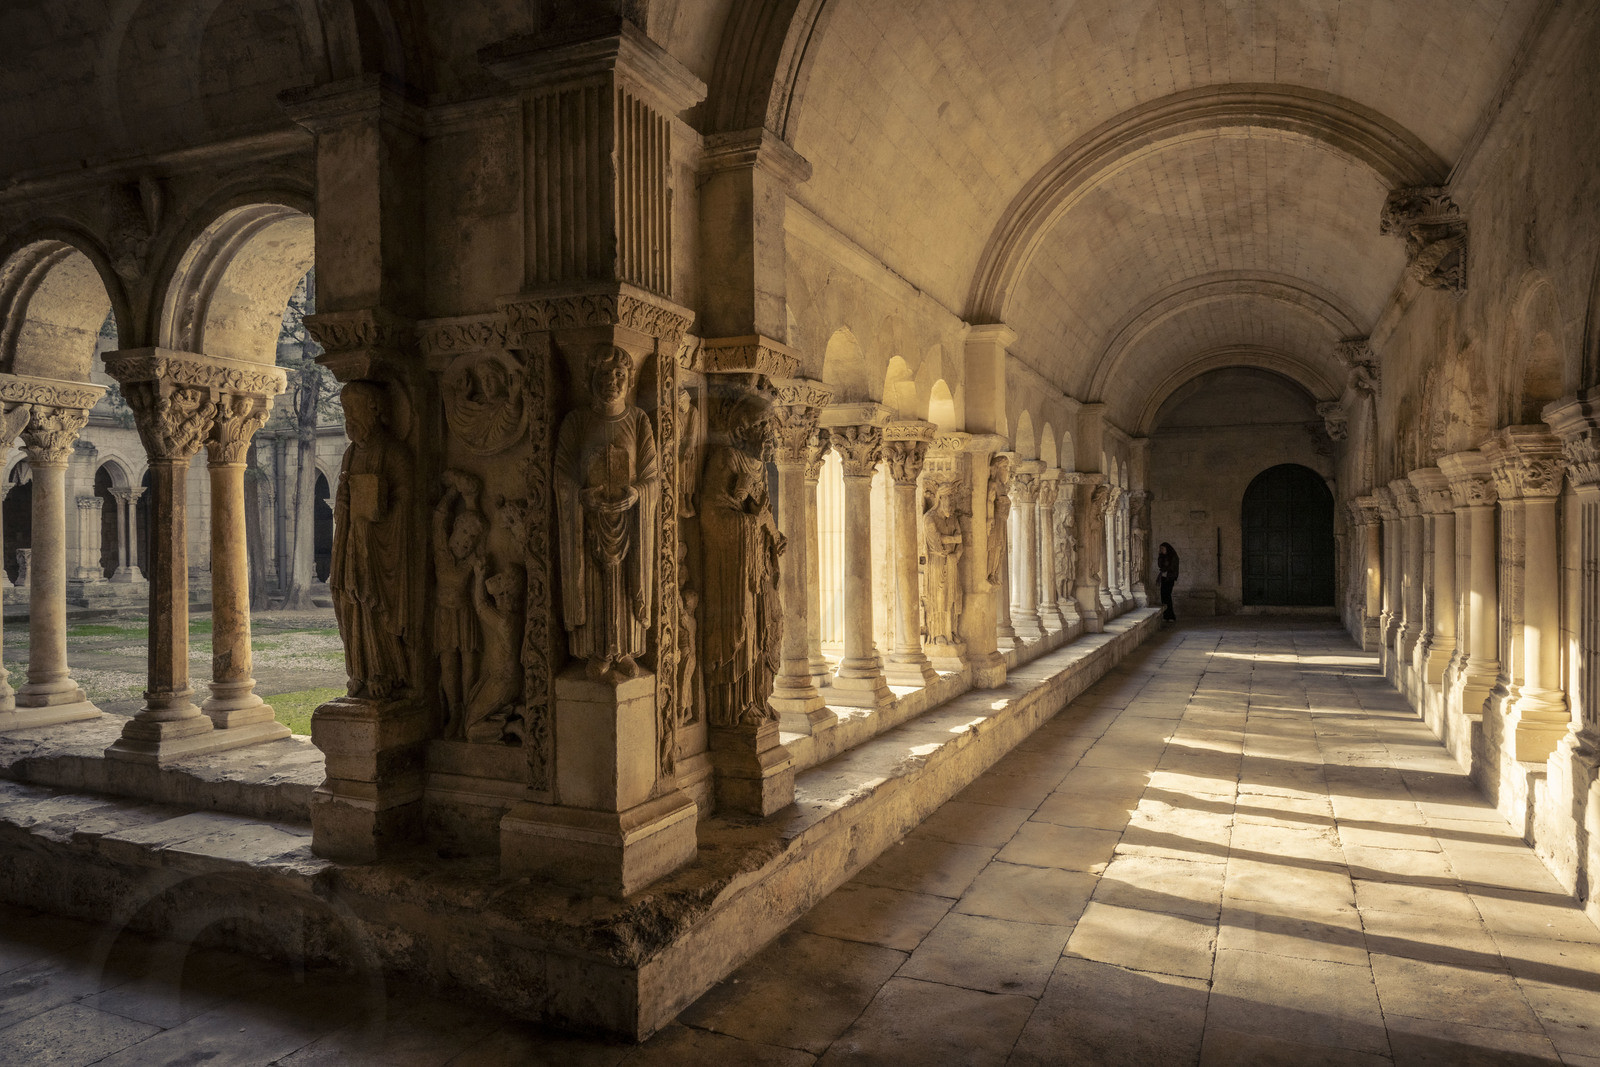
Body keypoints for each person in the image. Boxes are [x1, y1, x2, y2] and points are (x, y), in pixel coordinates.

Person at [1157, 542, 1179, 622]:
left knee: (1167, 596)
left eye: (1163, 549)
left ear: (1167, 549)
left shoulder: (1173, 556)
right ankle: (1166, 616)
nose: (1161, 550)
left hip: (1170, 578)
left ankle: (1171, 616)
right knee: (1163, 596)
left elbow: (1172, 567)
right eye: (1160, 549)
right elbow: (1160, 565)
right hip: (1164, 578)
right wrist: (1160, 556)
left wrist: (1165, 567)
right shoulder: (1162, 557)